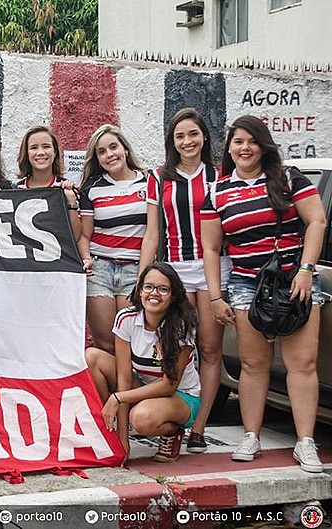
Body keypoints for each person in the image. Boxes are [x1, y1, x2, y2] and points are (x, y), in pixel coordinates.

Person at [201, 115, 327, 472]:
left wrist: (306, 269)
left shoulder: (288, 178)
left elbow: (316, 221)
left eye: (252, 141)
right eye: (238, 141)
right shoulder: (218, 191)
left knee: (302, 365)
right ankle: (251, 435)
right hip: (245, 286)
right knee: (254, 366)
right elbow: (212, 248)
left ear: (264, 145)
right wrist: (215, 296)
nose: (245, 148)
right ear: (229, 148)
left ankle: (305, 442)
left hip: (294, 282)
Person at [138, 108, 230, 454]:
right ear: (171, 142)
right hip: (174, 270)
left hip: (212, 269)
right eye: (180, 136)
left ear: (204, 137)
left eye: (193, 134)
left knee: (208, 348)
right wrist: (143, 278)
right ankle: (174, 421)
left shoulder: (219, 176)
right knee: (176, 351)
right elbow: (151, 234)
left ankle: (200, 428)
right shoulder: (158, 178)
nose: (187, 141)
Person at [87, 262, 200, 463]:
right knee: (92, 358)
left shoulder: (182, 324)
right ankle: (112, 434)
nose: (154, 293)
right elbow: (123, 379)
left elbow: (168, 385)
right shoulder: (126, 318)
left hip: (180, 395)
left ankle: (172, 432)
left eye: (163, 289)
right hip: (143, 385)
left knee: (141, 419)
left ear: (173, 295)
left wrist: (118, 398)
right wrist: (123, 442)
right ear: (139, 291)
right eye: (148, 287)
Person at [78, 124, 148, 354]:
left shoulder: (149, 182)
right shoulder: (92, 188)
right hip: (100, 270)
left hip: (135, 269)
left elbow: (154, 233)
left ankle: (130, 390)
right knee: (106, 344)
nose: (109, 155)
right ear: (97, 159)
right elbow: (85, 235)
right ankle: (112, 390)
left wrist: (144, 275)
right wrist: (86, 259)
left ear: (125, 149)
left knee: (132, 342)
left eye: (113, 147)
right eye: (102, 151)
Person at [15, 124, 80, 240]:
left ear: (55, 152)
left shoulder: (69, 190)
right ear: (27, 153)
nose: (40, 152)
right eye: (34, 147)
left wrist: (71, 202)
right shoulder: (14, 190)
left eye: (46, 146)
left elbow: (76, 237)